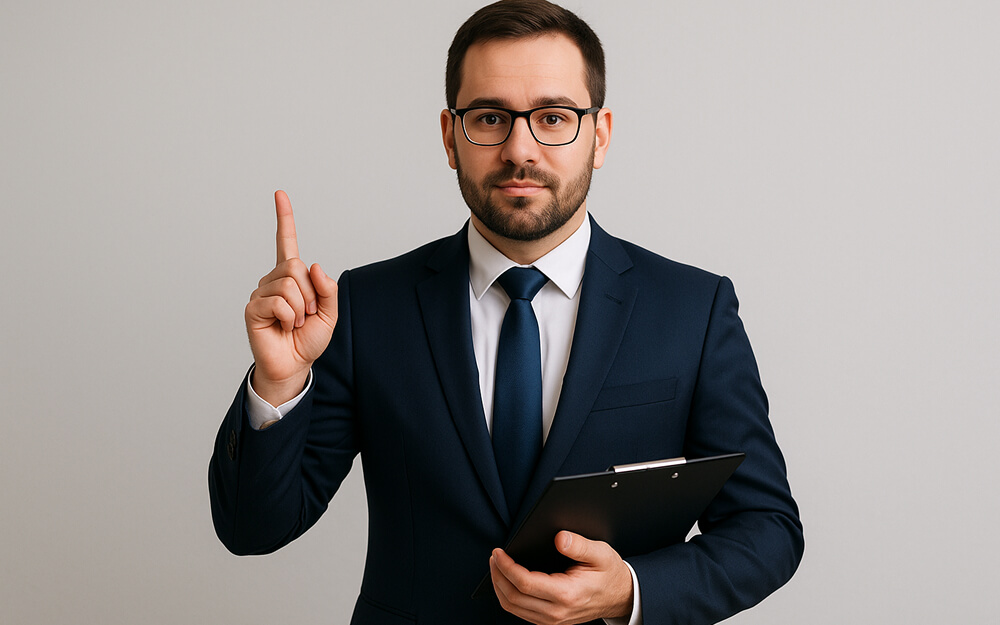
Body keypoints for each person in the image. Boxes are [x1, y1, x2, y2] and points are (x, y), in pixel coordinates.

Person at [209, 1, 803, 623]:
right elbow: (254, 529)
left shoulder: (692, 311)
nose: (521, 150)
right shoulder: (365, 307)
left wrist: (630, 590)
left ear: (599, 136)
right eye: (490, 118)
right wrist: (279, 383)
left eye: (553, 117)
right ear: (449, 136)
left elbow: (767, 529)